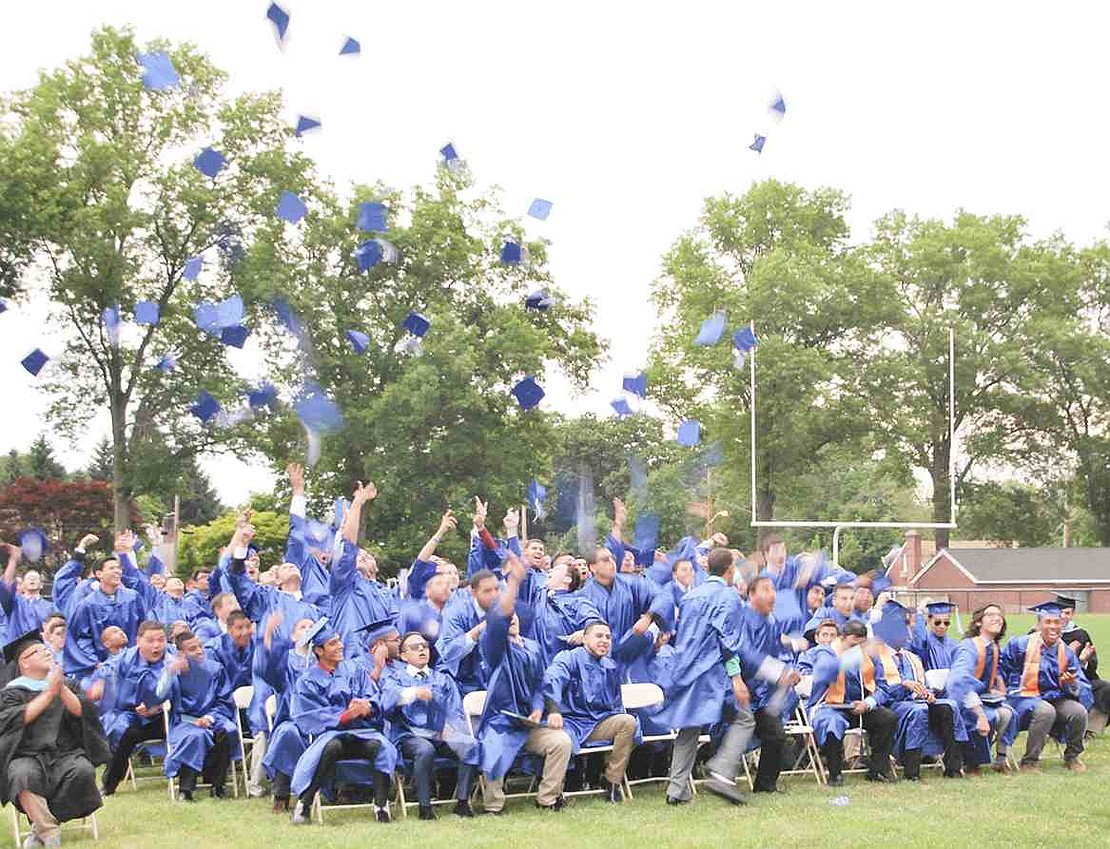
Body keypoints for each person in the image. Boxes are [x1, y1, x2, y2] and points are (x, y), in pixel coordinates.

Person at [0, 630, 109, 848]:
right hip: (27, 755)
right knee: (20, 775)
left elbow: (81, 713)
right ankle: (49, 832)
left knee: (83, 772)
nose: (45, 652)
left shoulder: (68, 685)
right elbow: (17, 719)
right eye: (37, 651)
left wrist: (59, 688)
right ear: (24, 663)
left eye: (45, 648)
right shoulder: (11, 693)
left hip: (66, 753)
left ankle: (40, 826)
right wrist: (49, 693)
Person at [288, 621, 397, 824]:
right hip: (331, 736)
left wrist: (367, 706)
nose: (340, 645)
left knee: (380, 746)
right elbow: (307, 715)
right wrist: (343, 716)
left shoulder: (354, 670)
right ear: (319, 650)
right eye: (332, 643)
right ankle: (305, 803)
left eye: (339, 641)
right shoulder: (307, 681)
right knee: (332, 747)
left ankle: (381, 805)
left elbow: (373, 696)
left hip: (363, 733)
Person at [474, 556, 558, 814]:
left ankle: (548, 798)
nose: (511, 620)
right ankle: (494, 805)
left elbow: (539, 685)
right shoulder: (494, 646)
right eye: (506, 618)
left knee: (561, 742)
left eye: (514, 617)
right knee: (493, 747)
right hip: (501, 722)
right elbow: (499, 619)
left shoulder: (533, 648)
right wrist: (513, 582)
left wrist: (538, 709)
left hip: (528, 723)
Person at [380, 632, 478, 819]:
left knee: (469, 745)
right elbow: (386, 702)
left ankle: (463, 803)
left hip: (441, 734)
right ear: (403, 656)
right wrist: (413, 692)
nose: (421, 650)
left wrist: (452, 728)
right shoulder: (395, 678)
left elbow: (455, 709)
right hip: (409, 736)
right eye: (415, 647)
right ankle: (425, 808)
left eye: (424, 646)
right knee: (425, 750)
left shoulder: (442, 678)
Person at [541, 621, 638, 804]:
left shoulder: (610, 666)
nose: (604, 641)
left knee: (628, 722)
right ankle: (556, 792)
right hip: (570, 722)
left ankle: (611, 782)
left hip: (597, 723)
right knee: (562, 740)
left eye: (608, 637)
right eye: (599, 636)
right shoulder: (568, 658)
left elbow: (615, 703)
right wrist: (554, 710)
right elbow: (551, 680)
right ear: (584, 638)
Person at [873, 601, 965, 780]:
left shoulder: (911, 657)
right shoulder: (877, 655)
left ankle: (953, 767)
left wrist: (928, 693)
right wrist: (903, 685)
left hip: (916, 702)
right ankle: (912, 771)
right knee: (920, 710)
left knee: (949, 706)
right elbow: (880, 689)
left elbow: (921, 682)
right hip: (893, 705)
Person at [1001, 601, 1090, 772]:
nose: (1053, 627)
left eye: (1056, 622)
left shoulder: (1066, 652)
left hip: (1055, 697)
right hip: (1023, 697)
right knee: (1046, 711)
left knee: (1078, 712)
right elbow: (1002, 670)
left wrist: (1071, 683)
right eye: (1048, 622)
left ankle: (1072, 756)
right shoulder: (1020, 645)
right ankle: (1030, 761)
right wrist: (1004, 692)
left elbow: (1081, 684)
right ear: (1038, 624)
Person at [807, 620, 898, 786]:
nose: (857, 650)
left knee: (887, 718)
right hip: (831, 707)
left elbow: (883, 688)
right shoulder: (825, 652)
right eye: (852, 645)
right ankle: (835, 774)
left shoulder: (870, 656)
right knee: (832, 723)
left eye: (861, 646)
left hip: (859, 708)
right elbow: (824, 670)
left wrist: (868, 703)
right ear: (842, 638)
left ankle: (877, 769)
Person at [88, 621, 168, 796]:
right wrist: (100, 683)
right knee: (121, 731)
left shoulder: (173, 659)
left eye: (161, 640)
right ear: (138, 641)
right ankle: (109, 784)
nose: (156, 645)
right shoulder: (125, 660)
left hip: (168, 718)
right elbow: (106, 672)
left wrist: (160, 706)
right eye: (151, 640)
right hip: (135, 717)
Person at [156, 631, 238, 801]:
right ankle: (185, 789)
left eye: (200, 646)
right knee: (196, 736)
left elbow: (224, 700)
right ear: (181, 654)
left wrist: (209, 718)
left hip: (215, 716)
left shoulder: (215, 669)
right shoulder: (175, 673)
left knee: (228, 730)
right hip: (185, 721)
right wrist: (169, 672)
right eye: (193, 649)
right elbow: (160, 695)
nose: (200, 651)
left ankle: (218, 785)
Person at [329, 482, 398, 658]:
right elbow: (349, 546)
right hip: (352, 658)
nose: (362, 555)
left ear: (377, 566)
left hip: (385, 662)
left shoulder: (386, 592)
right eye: (358, 555)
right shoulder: (345, 584)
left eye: (367, 555)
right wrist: (358, 503)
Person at [946, 604, 1015, 773]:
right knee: (989, 717)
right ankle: (971, 763)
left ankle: (1001, 759)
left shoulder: (993, 647)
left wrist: (995, 689)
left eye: (1000, 615)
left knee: (1009, 713)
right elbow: (961, 683)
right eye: (990, 614)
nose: (997, 618)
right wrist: (980, 713)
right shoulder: (968, 647)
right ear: (978, 622)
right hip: (962, 701)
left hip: (983, 697)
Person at [63, 554, 146, 684]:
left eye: (118, 568)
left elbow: (143, 629)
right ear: (99, 574)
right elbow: (80, 638)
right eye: (111, 568)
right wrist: (94, 663)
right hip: (101, 669)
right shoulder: (87, 604)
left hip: (133, 665)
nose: (117, 571)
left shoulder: (133, 598)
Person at [436, 569, 501, 695]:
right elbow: (449, 652)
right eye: (487, 591)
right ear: (473, 592)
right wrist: (479, 630)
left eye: (497, 589)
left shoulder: (503, 610)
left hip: (492, 682)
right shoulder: (455, 612)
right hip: (460, 682)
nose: (494, 595)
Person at [1053, 595, 1108, 732]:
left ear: (1073, 614)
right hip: (1053, 682)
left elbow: (1093, 667)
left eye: (1067, 613)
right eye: (1060, 612)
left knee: (1106, 689)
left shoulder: (1080, 635)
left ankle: (1091, 728)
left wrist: (1083, 662)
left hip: (1079, 680)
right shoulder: (1043, 632)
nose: (1063, 616)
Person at [0, 543, 56, 643]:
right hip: (17, 652)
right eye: (29, 578)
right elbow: (5, 586)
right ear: (23, 584)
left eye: (35, 578)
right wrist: (13, 560)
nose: (32, 580)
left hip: (41, 651)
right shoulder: (15, 603)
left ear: (42, 585)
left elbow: (58, 630)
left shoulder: (50, 607)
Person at [910, 601, 960, 671]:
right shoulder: (925, 643)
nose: (942, 626)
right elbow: (919, 640)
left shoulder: (955, 645)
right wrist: (920, 613)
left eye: (946, 623)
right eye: (937, 622)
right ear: (929, 620)